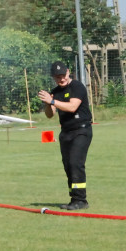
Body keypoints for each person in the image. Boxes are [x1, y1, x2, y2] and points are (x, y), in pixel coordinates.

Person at [37, 61, 92, 211]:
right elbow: (50, 115)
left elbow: (73, 107)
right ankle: (74, 199)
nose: (61, 79)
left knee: (75, 163)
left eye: (63, 75)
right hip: (66, 133)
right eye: (57, 77)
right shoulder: (55, 91)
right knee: (68, 166)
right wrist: (48, 104)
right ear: (53, 77)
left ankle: (81, 200)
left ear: (68, 72)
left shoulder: (77, 86)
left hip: (81, 130)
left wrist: (52, 100)